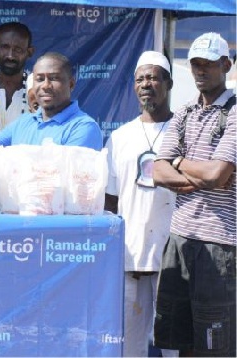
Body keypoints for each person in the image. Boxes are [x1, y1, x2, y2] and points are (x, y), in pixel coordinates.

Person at [152, 32, 235, 357]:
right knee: (181, 338)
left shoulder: (235, 112)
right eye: (196, 64)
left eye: (209, 65)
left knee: (216, 345)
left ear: (226, 65)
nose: (201, 71)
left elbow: (218, 175)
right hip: (180, 238)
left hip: (220, 246)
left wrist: (179, 162)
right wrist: (184, 169)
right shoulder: (185, 112)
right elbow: (157, 171)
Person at [104, 51, 178, 357]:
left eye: (153, 77)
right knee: (129, 347)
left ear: (169, 83)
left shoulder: (183, 131)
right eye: (140, 79)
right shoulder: (120, 137)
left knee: (174, 344)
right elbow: (110, 200)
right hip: (129, 258)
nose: (146, 84)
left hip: (173, 258)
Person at [0, 52, 102, 150]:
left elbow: (65, 177)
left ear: (71, 84)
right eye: (40, 79)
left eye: (54, 78)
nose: (45, 85)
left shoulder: (83, 127)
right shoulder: (23, 122)